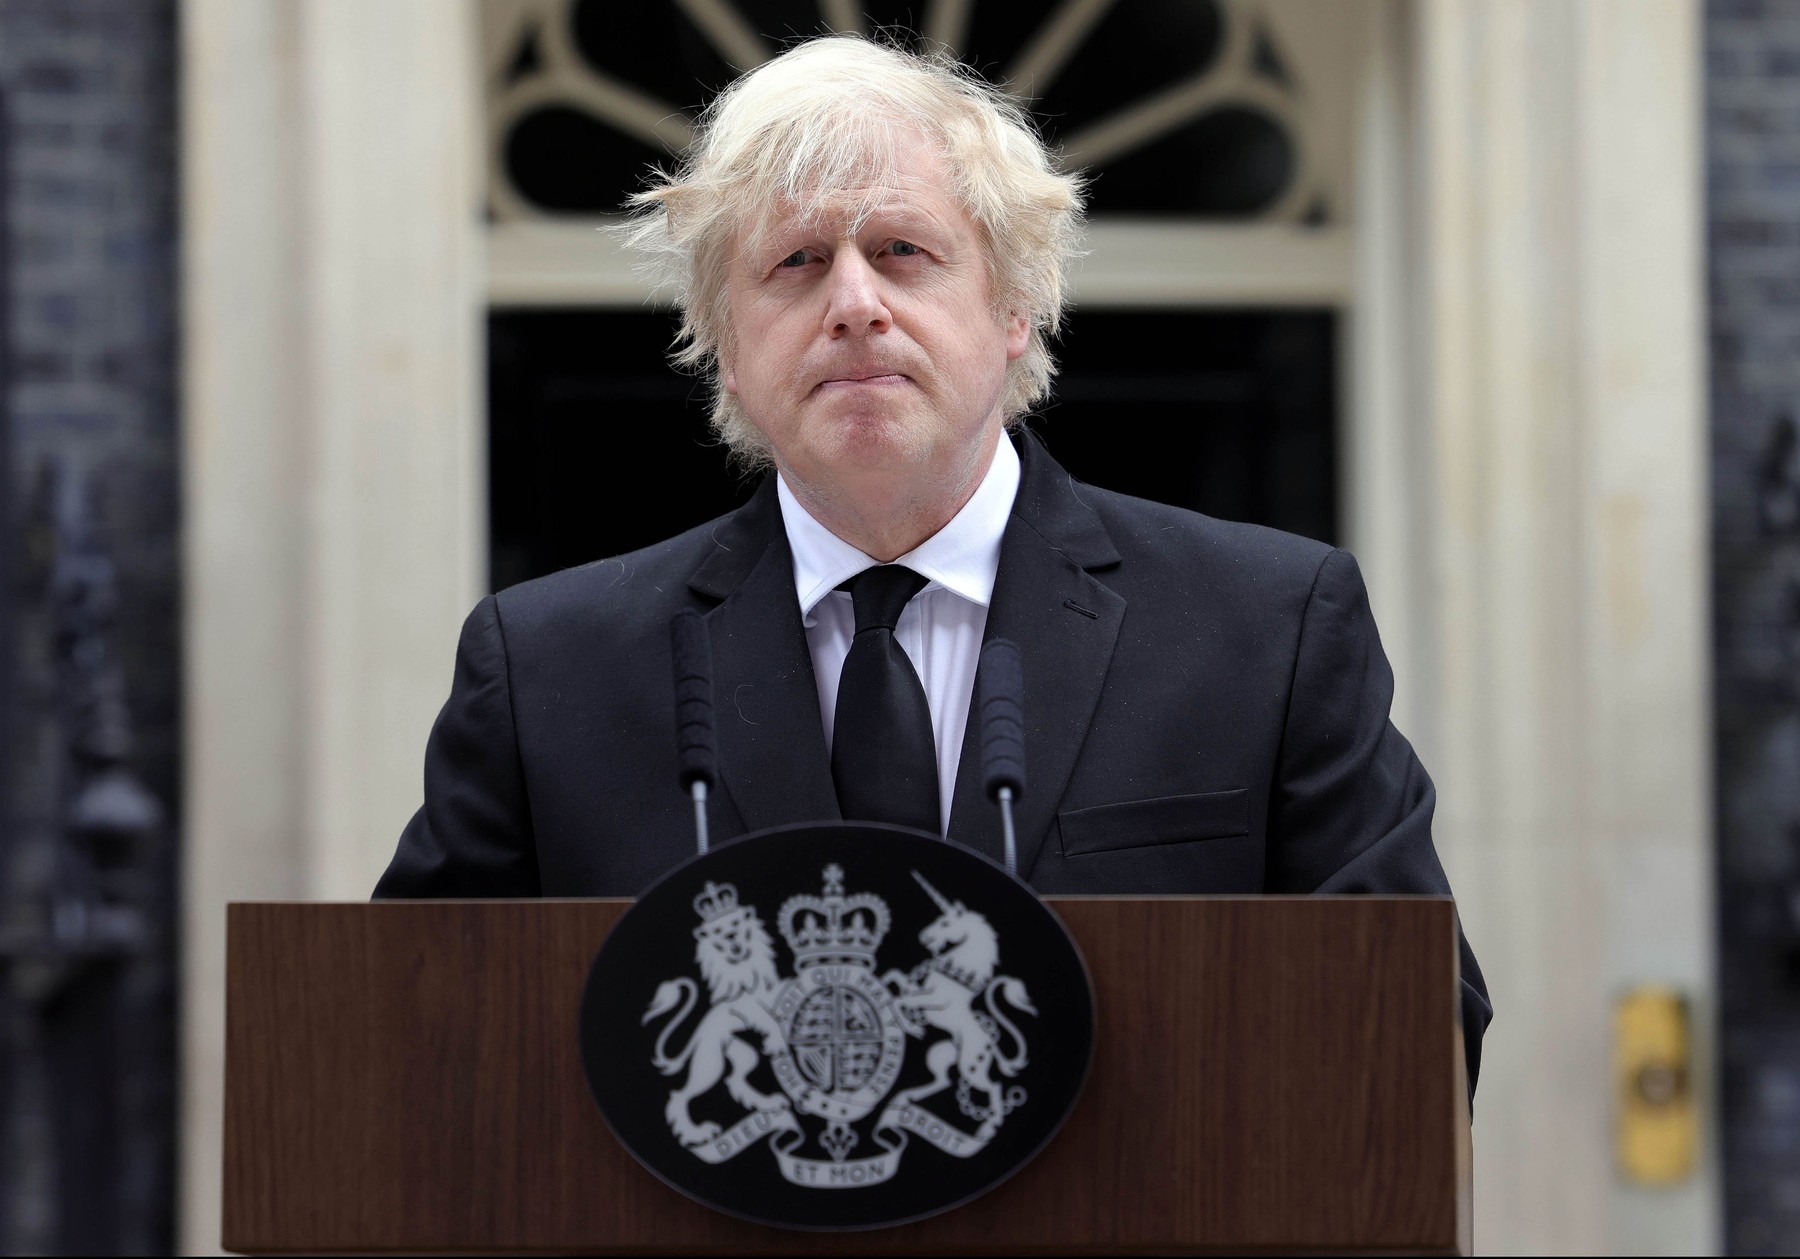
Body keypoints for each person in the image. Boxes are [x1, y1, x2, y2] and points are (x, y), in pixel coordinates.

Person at [375, 36, 1491, 1094]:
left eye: (903, 251)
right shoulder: (549, 671)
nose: (855, 304)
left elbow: (1409, 1025)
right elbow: (401, 1045)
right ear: (720, 332)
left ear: (1014, 304)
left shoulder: (1270, 628)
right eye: (797, 263)